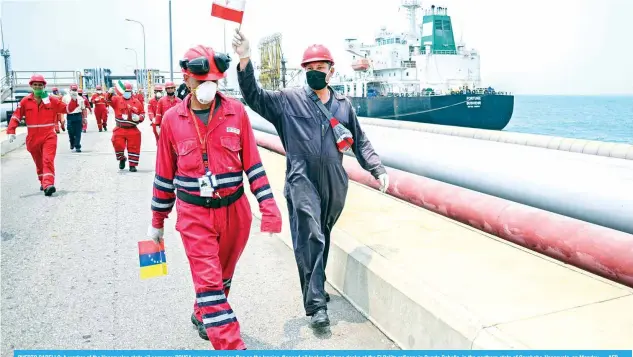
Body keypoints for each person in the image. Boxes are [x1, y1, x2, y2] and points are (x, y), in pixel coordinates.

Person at [233, 30, 390, 328]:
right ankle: (316, 304)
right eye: (309, 68)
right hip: (301, 176)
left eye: (320, 68)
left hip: (334, 180)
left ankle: (314, 284)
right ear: (303, 71)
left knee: (323, 234)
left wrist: (377, 168)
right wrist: (244, 59)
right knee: (311, 236)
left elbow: (360, 141)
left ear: (331, 70)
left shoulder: (343, 105)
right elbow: (253, 95)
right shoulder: (287, 101)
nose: (315, 73)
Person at [147, 45, 282, 350]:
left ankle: (203, 312)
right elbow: (164, 176)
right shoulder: (172, 120)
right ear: (187, 79)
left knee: (223, 274)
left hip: (235, 212)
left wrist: (269, 208)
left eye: (214, 80)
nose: (208, 86)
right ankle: (231, 344)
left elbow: (253, 164)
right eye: (202, 80)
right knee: (208, 282)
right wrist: (156, 222)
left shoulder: (236, 112)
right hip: (194, 215)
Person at [6, 74, 81, 196]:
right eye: (35, 85)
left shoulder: (51, 100)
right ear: (31, 86)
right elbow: (16, 116)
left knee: (48, 160)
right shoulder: (25, 101)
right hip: (32, 138)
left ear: (44, 86)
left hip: (49, 136)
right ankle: (43, 181)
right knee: (39, 163)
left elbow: (67, 110)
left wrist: (73, 100)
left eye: (40, 85)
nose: (38, 87)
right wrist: (11, 131)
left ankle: (48, 184)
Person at [106, 82, 145, 172]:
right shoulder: (116, 100)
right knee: (117, 145)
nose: (127, 93)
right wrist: (109, 93)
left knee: (134, 147)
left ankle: (132, 165)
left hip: (132, 128)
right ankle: (121, 158)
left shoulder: (136, 102)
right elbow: (108, 100)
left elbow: (142, 113)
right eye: (125, 91)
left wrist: (139, 118)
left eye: (129, 91)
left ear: (131, 92)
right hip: (120, 128)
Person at [64, 84, 87, 152]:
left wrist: (84, 118)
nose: (74, 91)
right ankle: (72, 142)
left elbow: (83, 109)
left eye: (75, 90)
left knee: (78, 132)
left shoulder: (80, 98)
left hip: (78, 116)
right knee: (70, 131)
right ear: (70, 90)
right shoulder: (65, 98)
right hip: (70, 116)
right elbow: (62, 107)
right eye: (73, 90)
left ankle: (77, 146)